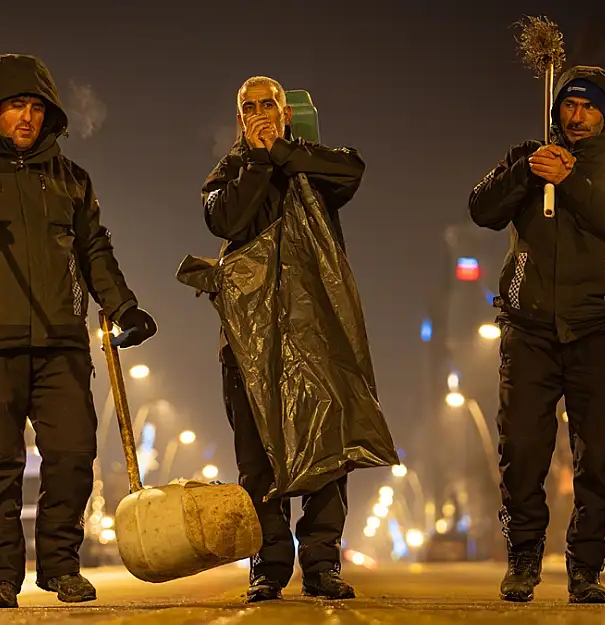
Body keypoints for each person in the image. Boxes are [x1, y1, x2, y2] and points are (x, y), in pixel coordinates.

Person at [0, 53, 157, 609]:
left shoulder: (72, 180)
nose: (28, 117)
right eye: (17, 105)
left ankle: (61, 566)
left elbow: (95, 251)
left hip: (61, 341)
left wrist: (125, 306)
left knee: (71, 453)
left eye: (37, 107)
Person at [468, 65, 605, 604]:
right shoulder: (526, 158)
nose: (577, 116)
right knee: (521, 449)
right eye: (569, 105)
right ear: (555, 111)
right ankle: (523, 558)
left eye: (589, 106)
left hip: (599, 330)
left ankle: (586, 567)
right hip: (529, 331)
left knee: (598, 457)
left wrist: (571, 182)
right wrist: (527, 173)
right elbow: (482, 209)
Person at [201, 76, 365, 603]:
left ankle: (322, 565)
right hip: (248, 342)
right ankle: (268, 565)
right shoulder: (230, 171)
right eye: (247, 107)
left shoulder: (313, 160)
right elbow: (225, 216)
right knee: (257, 456)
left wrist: (283, 152)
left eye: (267, 104)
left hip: (316, 333)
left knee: (325, 449)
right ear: (239, 118)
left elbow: (351, 173)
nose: (258, 113)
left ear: (286, 111)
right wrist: (257, 161)